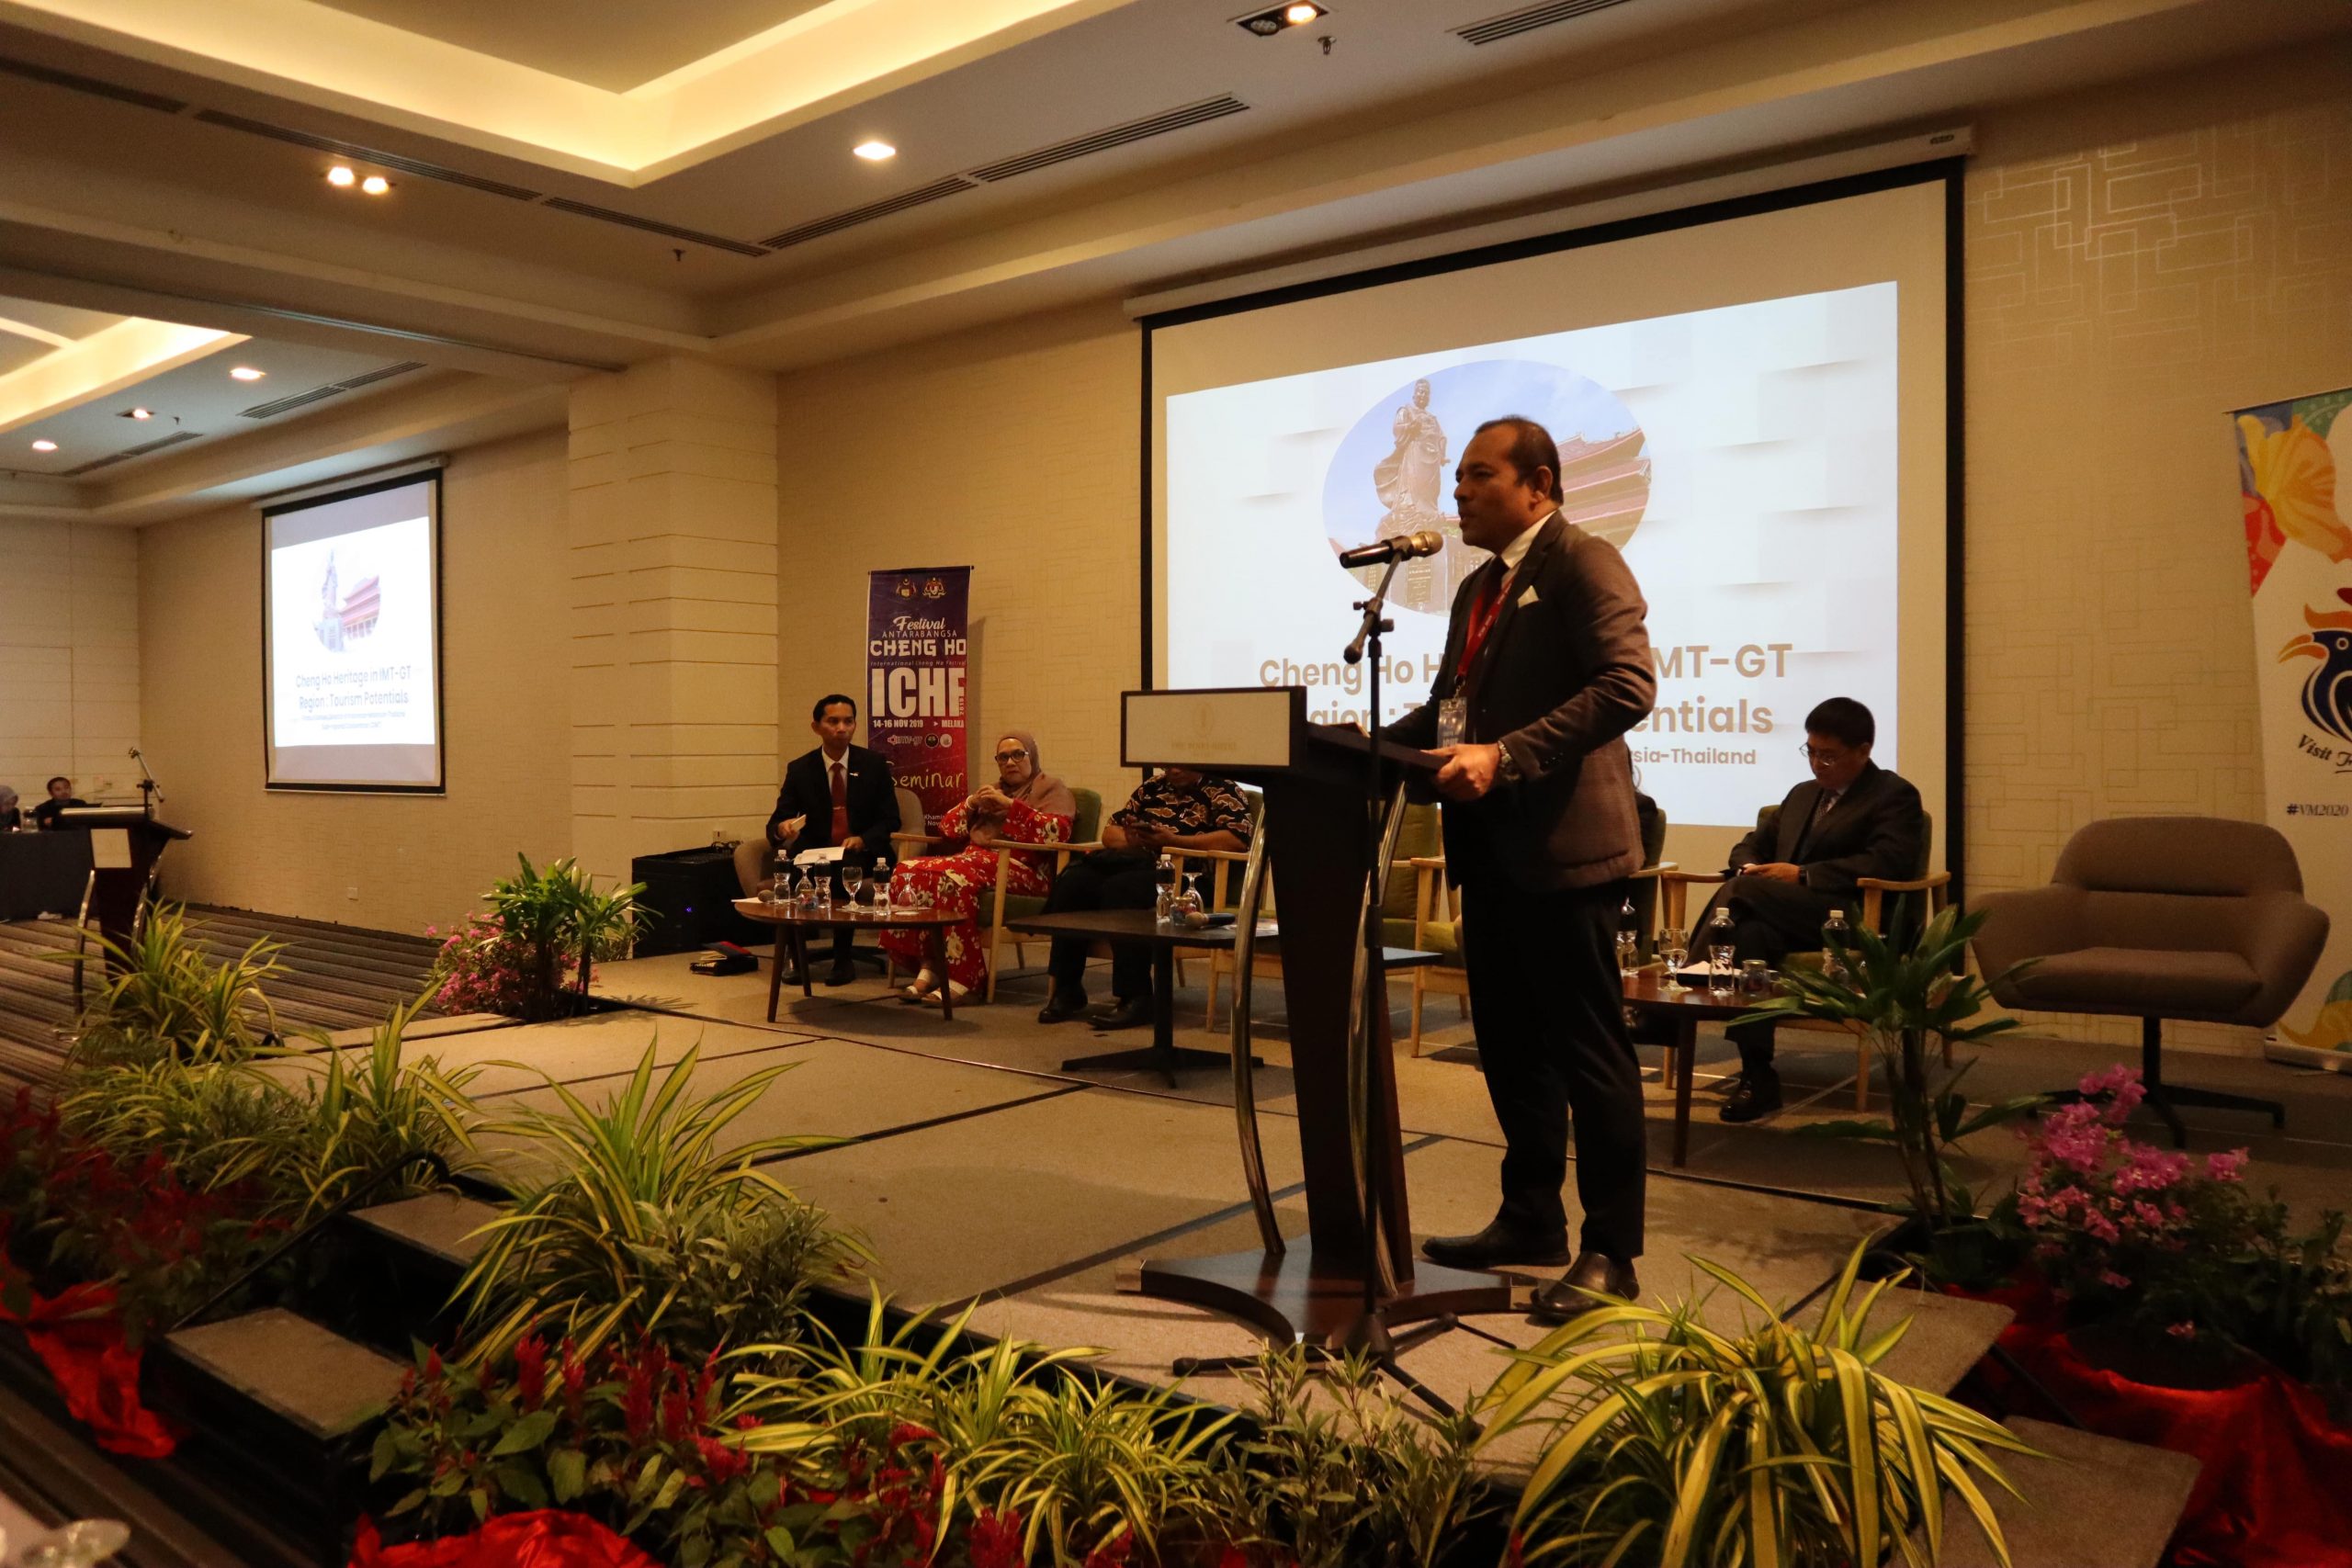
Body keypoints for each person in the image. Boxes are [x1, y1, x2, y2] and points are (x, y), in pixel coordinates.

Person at [1385, 414, 1657, 1316]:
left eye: (1477, 475)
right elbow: (1450, 711)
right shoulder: (1479, 588)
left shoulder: (1584, 562)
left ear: (1538, 485)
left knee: (1589, 1054)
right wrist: (1359, 750)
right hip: (1491, 851)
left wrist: (1507, 756)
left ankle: (1612, 1251)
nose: (1457, 490)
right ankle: (1531, 1216)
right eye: (1457, 476)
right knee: (1509, 1049)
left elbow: (1627, 685)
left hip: (1566, 852)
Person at [1696, 697, 1925, 1123]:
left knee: (1742, 892)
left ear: (1864, 750)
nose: (1818, 764)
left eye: (1829, 756)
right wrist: (1748, 866)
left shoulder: (1893, 795)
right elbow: (1750, 844)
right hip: (1789, 917)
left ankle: (1685, 982)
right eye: (1811, 752)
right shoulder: (1802, 795)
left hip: (1854, 918)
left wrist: (1803, 875)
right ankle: (1758, 1075)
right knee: (1750, 935)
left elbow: (1889, 862)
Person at [1035, 768, 1255, 1031]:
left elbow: (1237, 840)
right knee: (1073, 882)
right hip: (1138, 865)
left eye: (1179, 764)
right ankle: (1067, 988)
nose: (1173, 770)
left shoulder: (1223, 790)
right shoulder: (1152, 787)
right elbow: (1109, 832)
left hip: (1188, 877)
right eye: (1167, 764)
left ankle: (1136, 996)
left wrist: (1173, 841)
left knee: (1121, 890)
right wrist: (1132, 839)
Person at [879, 731, 1076, 1006]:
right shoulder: (991, 792)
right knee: (907, 871)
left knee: (953, 878)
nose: (1010, 762)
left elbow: (1057, 833)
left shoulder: (1051, 788)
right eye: (1003, 757)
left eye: (1018, 755)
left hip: (1026, 869)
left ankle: (966, 980)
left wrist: (1011, 807)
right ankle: (931, 965)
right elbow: (948, 830)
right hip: (977, 862)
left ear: (1032, 756)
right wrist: (972, 803)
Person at [752, 695, 900, 987]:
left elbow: (891, 820)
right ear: (816, 727)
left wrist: (863, 839)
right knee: (792, 874)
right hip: (815, 851)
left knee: (844, 870)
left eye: (848, 721)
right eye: (833, 721)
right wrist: (783, 828)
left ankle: (842, 959)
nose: (842, 728)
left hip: (861, 852)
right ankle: (795, 956)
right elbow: (776, 822)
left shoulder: (874, 764)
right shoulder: (801, 769)